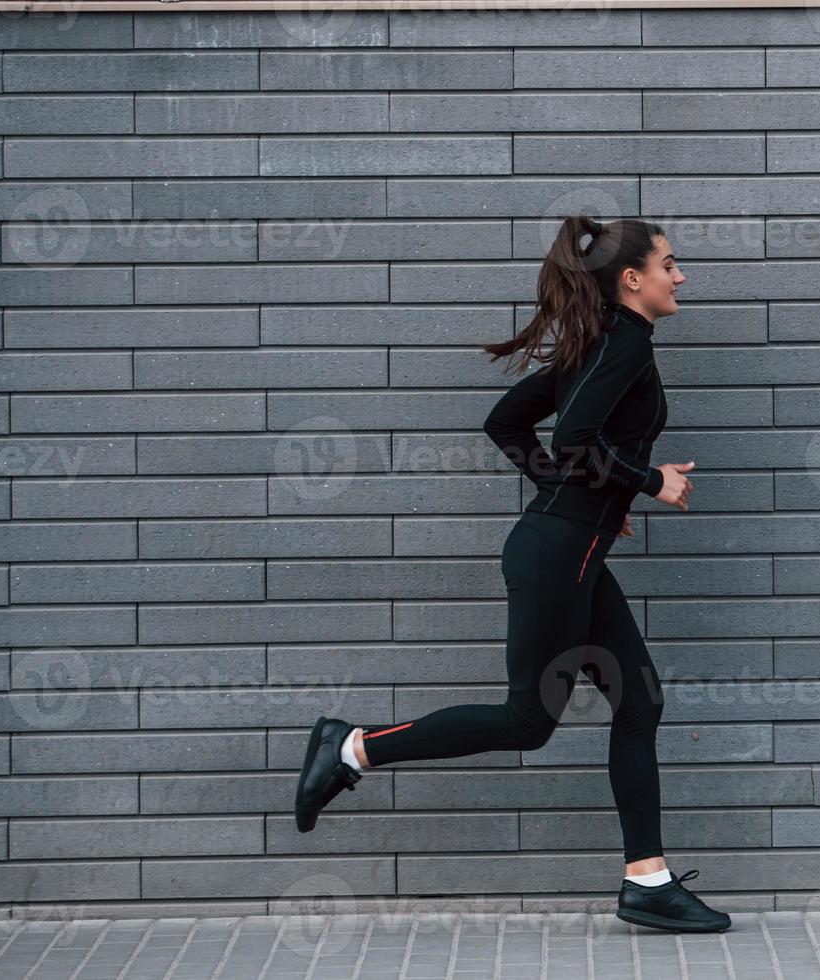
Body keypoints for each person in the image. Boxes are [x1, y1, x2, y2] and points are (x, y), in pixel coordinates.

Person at [292, 215, 731, 934]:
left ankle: (646, 881)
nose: (679, 277)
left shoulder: (602, 346)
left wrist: (584, 495)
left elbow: (507, 424)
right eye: (669, 265)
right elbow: (574, 438)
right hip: (559, 556)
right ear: (632, 279)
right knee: (528, 721)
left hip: (569, 550)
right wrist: (646, 480)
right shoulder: (620, 346)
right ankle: (351, 747)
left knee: (639, 702)